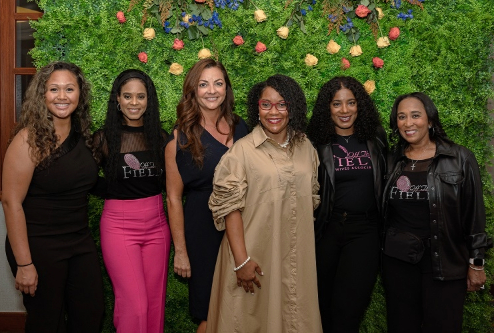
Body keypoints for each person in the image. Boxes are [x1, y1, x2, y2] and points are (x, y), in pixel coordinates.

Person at [206, 74, 322, 332]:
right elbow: (229, 209)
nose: (274, 112)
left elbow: (310, 199)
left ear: (293, 108)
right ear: (256, 108)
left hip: (296, 256)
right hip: (254, 257)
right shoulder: (241, 152)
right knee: (249, 320)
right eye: (266, 104)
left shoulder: (307, 148)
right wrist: (241, 261)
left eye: (282, 104)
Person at [2, 61, 104, 332]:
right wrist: (25, 263)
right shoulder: (28, 140)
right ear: (42, 95)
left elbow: (88, 184)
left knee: (91, 316)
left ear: (80, 94)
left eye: (69, 89)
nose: (62, 96)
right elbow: (11, 203)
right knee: (47, 323)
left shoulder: (82, 137)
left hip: (79, 243)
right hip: (38, 246)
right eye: (54, 89)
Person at [381, 92, 490, 332]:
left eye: (415, 115)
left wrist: (477, 263)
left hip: (444, 264)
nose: (408, 123)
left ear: (430, 120)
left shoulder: (459, 158)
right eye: (401, 117)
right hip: (398, 264)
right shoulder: (391, 160)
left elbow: (474, 215)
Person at [164, 58, 247, 332]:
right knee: (210, 312)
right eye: (203, 84)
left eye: (218, 83)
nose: (212, 90)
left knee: (244, 307)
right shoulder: (180, 139)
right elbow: (174, 199)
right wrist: (181, 252)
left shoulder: (243, 129)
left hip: (246, 226)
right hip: (203, 231)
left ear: (227, 88)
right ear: (193, 90)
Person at [306, 76, 388, 332]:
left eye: (351, 103)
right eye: (337, 104)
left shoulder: (376, 139)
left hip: (364, 232)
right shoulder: (315, 143)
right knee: (320, 306)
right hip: (326, 230)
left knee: (350, 308)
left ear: (359, 105)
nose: (344, 110)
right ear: (327, 108)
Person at [93, 69, 171, 333]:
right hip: (119, 227)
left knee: (154, 304)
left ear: (149, 100)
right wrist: (116, 191)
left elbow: (169, 183)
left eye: (140, 96)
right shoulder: (103, 139)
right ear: (117, 98)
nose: (134, 102)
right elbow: (85, 179)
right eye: (127, 96)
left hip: (158, 227)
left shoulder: (160, 138)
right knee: (134, 305)